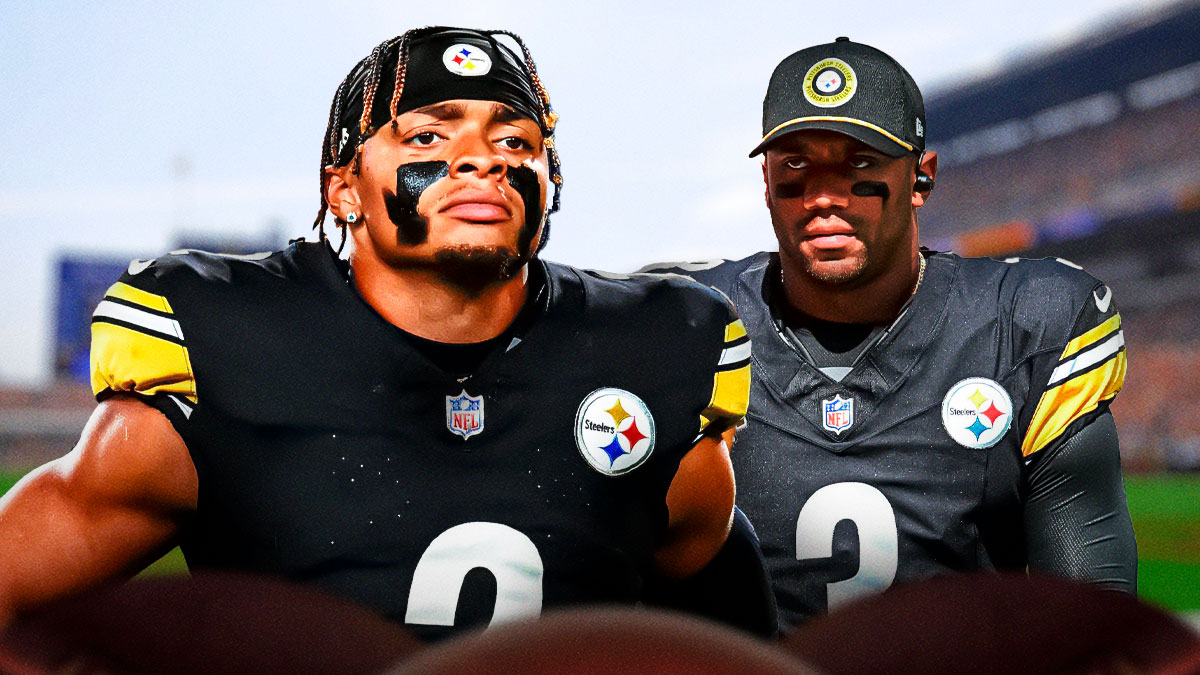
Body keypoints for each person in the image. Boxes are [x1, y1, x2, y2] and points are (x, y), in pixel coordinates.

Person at [0, 27, 773, 641]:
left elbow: (721, 602)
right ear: (345, 190)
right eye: (429, 138)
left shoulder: (650, 347)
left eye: (515, 142)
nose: (480, 160)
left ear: (550, 184)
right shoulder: (230, 344)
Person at [643, 37, 1137, 632]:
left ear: (920, 178)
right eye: (797, 165)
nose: (824, 197)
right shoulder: (688, 326)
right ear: (766, 181)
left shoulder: (1025, 325)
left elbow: (1091, 625)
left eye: (860, 165)